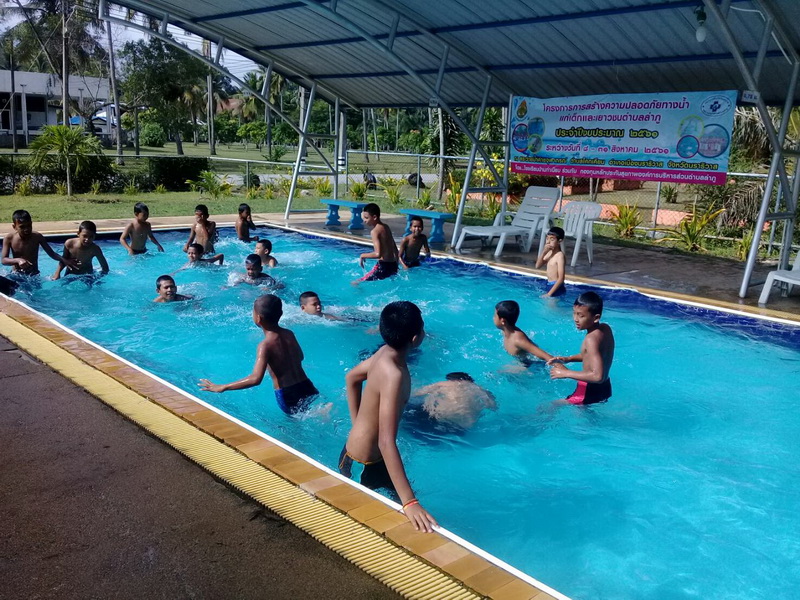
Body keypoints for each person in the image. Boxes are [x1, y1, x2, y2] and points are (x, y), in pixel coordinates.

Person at [340, 301, 438, 533]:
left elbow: (351, 378)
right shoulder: (394, 375)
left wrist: (357, 424)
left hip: (361, 455)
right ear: (415, 338)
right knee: (378, 524)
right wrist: (410, 503)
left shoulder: (383, 353)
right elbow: (386, 441)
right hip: (364, 464)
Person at [199, 294, 320, 415]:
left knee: (296, 421)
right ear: (281, 314)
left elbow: (255, 379)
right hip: (306, 386)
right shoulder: (289, 334)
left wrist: (223, 387)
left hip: (288, 394)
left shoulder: (265, 346)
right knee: (312, 411)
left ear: (258, 318)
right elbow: (300, 357)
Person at [547, 292, 615, 405]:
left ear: (596, 318)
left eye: (581, 316)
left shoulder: (590, 339)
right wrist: (568, 359)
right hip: (605, 387)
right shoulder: (605, 329)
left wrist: (565, 373)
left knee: (550, 406)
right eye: (574, 313)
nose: (575, 319)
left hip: (587, 389)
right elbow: (592, 355)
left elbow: (597, 376)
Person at [408, 372, 496, 431]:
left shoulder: (444, 384)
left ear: (452, 379)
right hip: (467, 425)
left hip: (445, 419)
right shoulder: (480, 389)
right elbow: (493, 406)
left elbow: (417, 393)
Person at [1, 209, 77, 276]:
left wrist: (65, 260)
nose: (26, 229)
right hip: (17, 274)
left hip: (34, 275)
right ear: (14, 227)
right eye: (22, 227)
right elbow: (4, 260)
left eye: (29, 225)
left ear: (31, 223)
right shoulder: (9, 238)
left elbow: (52, 253)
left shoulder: (37, 237)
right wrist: (18, 260)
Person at [494, 300, 552, 365]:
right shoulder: (505, 331)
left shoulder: (518, 340)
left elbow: (547, 357)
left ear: (503, 321)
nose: (493, 318)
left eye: (495, 316)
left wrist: (559, 367)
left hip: (528, 365)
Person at [354, 203, 399, 283]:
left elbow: (378, 254)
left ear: (374, 217)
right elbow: (395, 248)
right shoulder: (386, 227)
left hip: (383, 266)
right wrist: (397, 264)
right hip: (393, 265)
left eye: (366, 218)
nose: (364, 220)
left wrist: (362, 255)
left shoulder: (374, 231)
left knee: (356, 283)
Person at [535, 226, 566, 298]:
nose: (548, 242)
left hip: (556, 287)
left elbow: (561, 278)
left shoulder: (560, 256)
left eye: (552, 239)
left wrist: (549, 294)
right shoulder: (549, 253)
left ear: (559, 241)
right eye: (547, 238)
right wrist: (544, 252)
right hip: (550, 285)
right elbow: (537, 266)